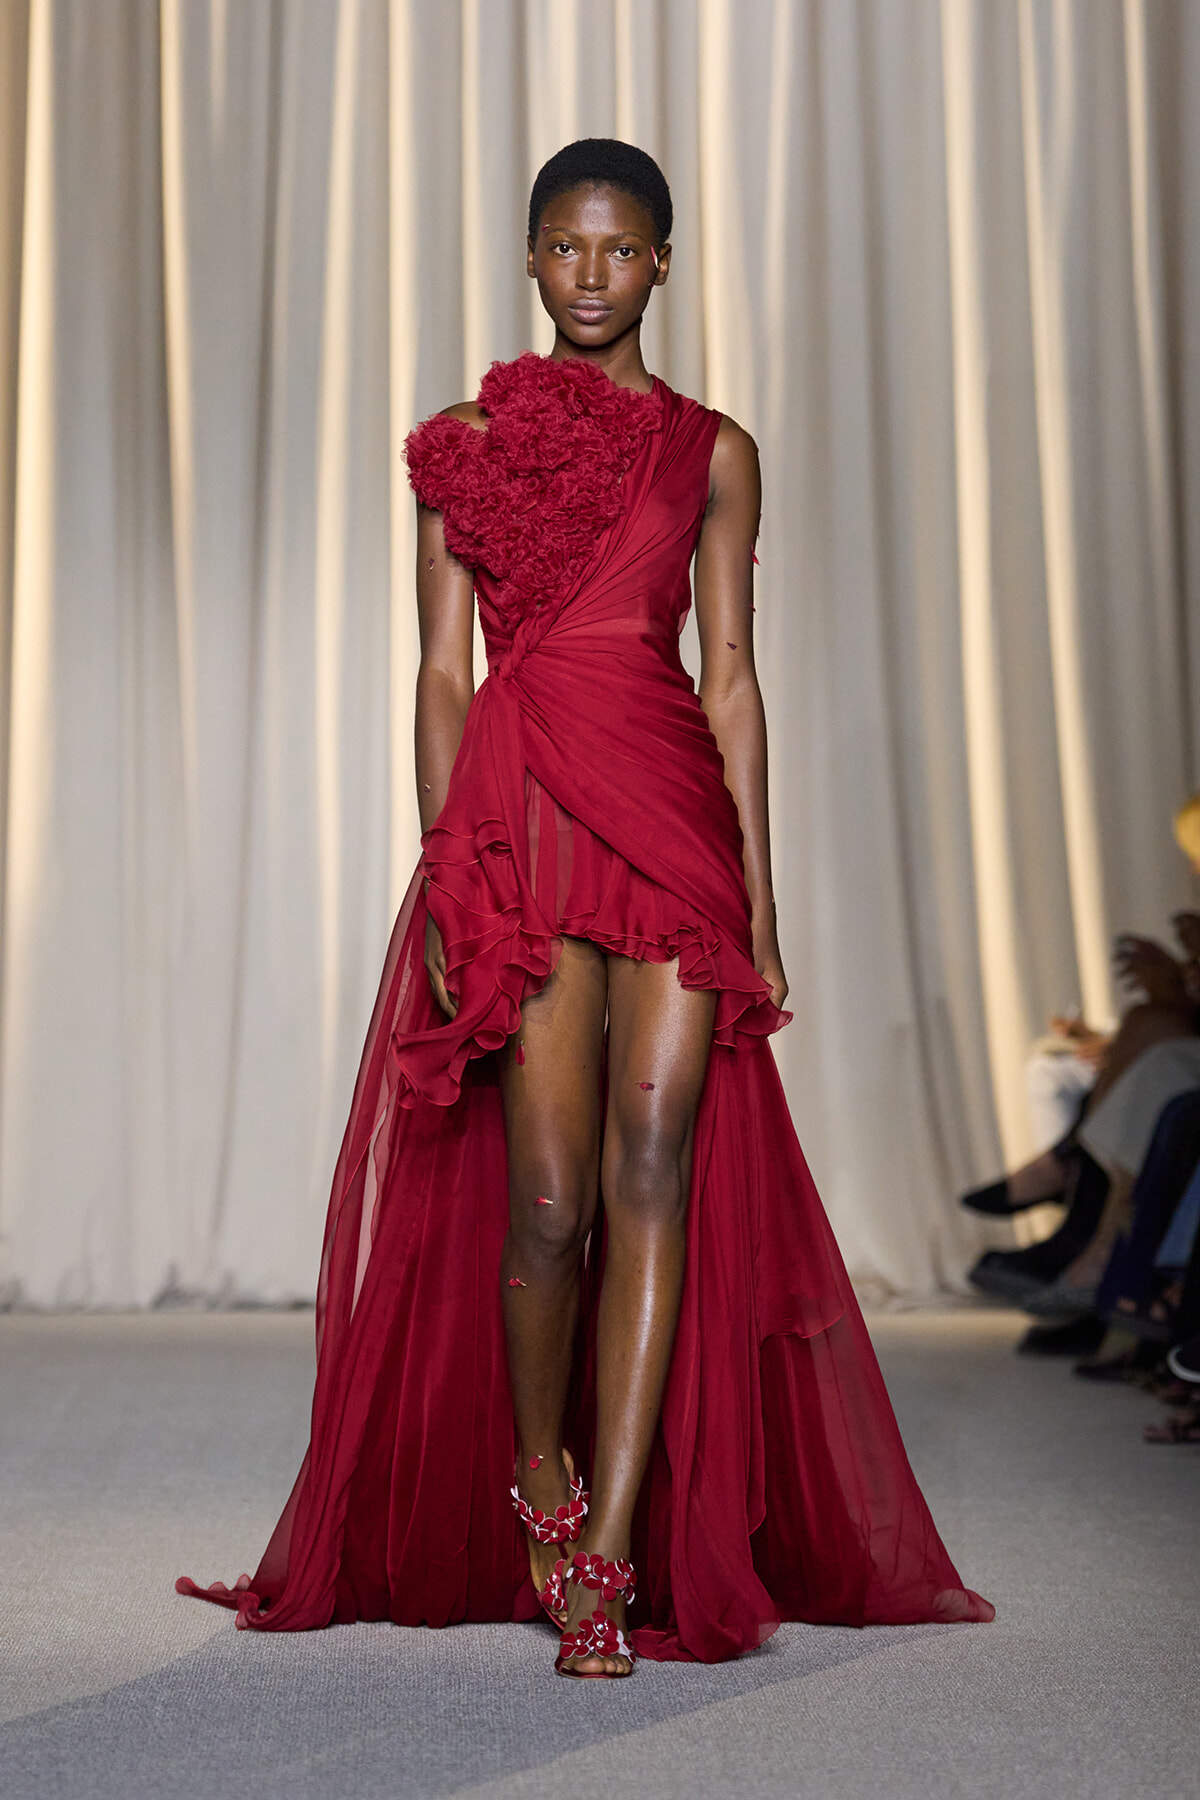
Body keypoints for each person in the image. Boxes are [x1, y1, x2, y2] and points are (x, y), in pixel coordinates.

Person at [178, 138, 991, 1678]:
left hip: (671, 815)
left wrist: (757, 897)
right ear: (532, 259)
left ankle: (609, 1551)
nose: (595, 276)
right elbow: (438, 669)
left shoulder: (716, 449)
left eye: (623, 251)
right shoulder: (466, 441)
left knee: (651, 1166)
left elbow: (735, 682)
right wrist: (446, 860)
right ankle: (540, 1475)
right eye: (567, 249)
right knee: (547, 1201)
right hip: (525, 820)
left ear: (664, 264)